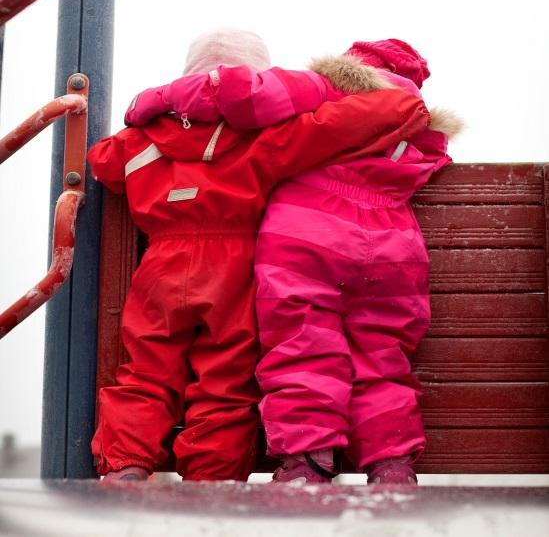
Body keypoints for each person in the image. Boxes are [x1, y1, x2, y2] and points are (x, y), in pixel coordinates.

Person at [90, 29, 430, 482]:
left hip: (162, 266)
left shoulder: (139, 143)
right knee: (224, 386)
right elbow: (352, 124)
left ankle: (125, 467)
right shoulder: (267, 136)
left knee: (146, 373)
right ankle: (211, 488)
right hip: (235, 266)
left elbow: (101, 163)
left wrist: (153, 111)